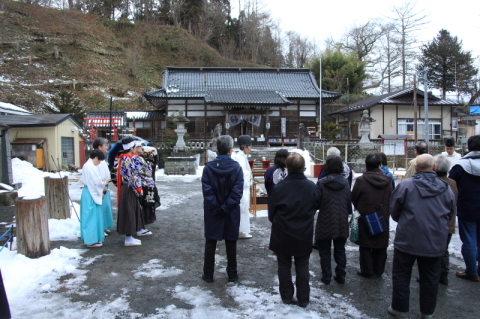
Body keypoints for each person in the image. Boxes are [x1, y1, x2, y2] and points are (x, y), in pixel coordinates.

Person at [388, 154, 455, 319]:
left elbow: (394, 210)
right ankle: (427, 312)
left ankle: (400, 309)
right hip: (434, 239)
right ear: (433, 168)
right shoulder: (446, 188)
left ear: (416, 168)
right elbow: (451, 212)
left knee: (402, 274)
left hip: (408, 237)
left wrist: (404, 220)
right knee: (431, 277)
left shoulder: (406, 185)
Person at [268, 153, 319, 307]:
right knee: (302, 265)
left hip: (282, 231)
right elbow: (316, 205)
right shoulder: (312, 187)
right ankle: (303, 298)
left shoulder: (280, 187)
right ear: (303, 168)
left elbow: (272, 213)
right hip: (303, 231)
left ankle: (286, 296)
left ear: (287, 167)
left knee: (284, 265)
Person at [201, 135, 244, 283]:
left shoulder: (208, 168)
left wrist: (217, 207)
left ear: (217, 149)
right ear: (230, 150)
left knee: (210, 242)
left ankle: (208, 274)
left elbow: (207, 191)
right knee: (231, 242)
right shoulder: (236, 168)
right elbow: (237, 192)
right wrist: (226, 207)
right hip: (231, 211)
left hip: (213, 211)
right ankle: (232, 273)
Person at [352, 153, 392, 278]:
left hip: (365, 214)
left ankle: (367, 270)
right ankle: (379, 270)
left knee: (365, 244)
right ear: (380, 165)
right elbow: (391, 197)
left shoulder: (361, 180)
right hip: (382, 215)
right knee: (380, 243)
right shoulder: (387, 180)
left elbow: (354, 197)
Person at [315, 155, 351, 285]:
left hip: (325, 219)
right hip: (341, 219)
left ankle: (326, 276)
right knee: (340, 249)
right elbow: (348, 199)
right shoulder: (345, 182)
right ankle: (340, 274)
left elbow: (316, 202)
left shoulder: (321, 183)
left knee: (324, 251)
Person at [449, 134, 480, 282]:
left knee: (469, 240)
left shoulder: (461, 165)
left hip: (467, 207)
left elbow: (451, 184)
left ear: (468, 147)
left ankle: (471, 271)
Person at [117, 139, 148, 247]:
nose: (137, 148)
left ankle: (130, 237)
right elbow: (132, 176)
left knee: (130, 210)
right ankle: (128, 238)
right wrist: (139, 188)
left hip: (129, 187)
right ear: (131, 148)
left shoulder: (125, 158)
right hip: (130, 187)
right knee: (129, 211)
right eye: (135, 146)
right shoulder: (127, 159)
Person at [434, 154, 458, 285]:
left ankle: (433, 274)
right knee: (444, 249)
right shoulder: (453, 183)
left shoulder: (432, 182)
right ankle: (444, 274)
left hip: (433, 223)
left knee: (432, 248)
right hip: (448, 222)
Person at [80, 149, 108, 248]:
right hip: (91, 192)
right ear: (95, 158)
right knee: (91, 217)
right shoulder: (90, 167)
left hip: (89, 191)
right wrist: (102, 187)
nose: (99, 162)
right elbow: (96, 182)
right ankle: (91, 240)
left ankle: (91, 239)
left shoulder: (88, 165)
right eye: (99, 160)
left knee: (90, 216)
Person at [232, 135, 253, 239]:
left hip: (243, 187)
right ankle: (241, 231)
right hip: (242, 188)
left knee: (244, 209)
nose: (250, 149)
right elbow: (240, 173)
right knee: (242, 209)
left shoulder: (241, 156)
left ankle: (242, 230)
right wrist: (248, 176)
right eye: (249, 147)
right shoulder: (239, 157)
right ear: (245, 147)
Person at [92, 138, 113, 235]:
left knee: (106, 206)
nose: (107, 147)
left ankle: (104, 226)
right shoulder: (96, 159)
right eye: (105, 145)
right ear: (99, 147)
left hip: (104, 184)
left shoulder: (102, 158)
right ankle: (101, 227)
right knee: (101, 207)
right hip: (100, 186)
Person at [138, 145, 161, 225]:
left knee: (147, 203)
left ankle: (146, 218)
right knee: (146, 203)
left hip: (148, 183)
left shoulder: (142, 159)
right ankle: (144, 219)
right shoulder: (140, 160)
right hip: (145, 183)